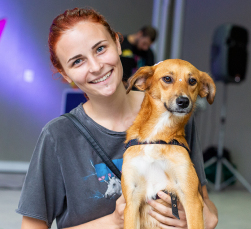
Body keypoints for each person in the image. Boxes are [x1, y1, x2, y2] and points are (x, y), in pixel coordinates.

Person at [16, 7, 218, 229]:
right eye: (77, 61)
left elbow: (204, 203)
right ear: (65, 74)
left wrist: (202, 215)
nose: (96, 67)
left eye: (100, 48)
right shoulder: (58, 136)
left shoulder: (173, 114)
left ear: (117, 43)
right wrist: (112, 221)